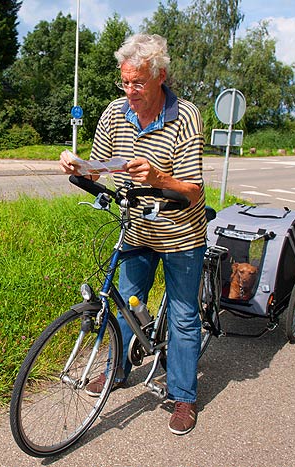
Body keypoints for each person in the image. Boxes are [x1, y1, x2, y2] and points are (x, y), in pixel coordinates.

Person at [59, 34, 207, 436]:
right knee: (125, 302)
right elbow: (98, 166)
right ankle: (117, 371)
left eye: (137, 83)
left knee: (182, 315)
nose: (130, 91)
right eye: (124, 82)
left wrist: (160, 178)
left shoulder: (186, 116)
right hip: (137, 227)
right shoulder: (114, 113)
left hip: (180, 233)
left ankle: (183, 396)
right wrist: (78, 167)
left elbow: (194, 189)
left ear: (159, 76)